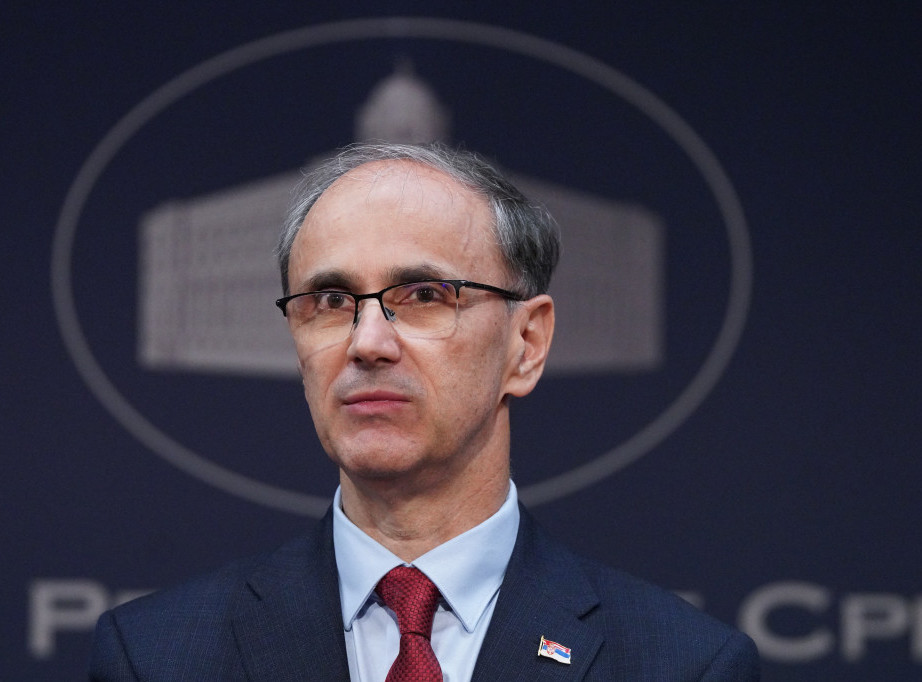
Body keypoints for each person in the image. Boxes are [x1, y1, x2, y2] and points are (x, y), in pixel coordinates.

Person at [89, 142, 760, 680]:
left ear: (526, 345)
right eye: (330, 302)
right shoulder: (154, 657)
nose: (367, 343)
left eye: (424, 295)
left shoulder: (682, 665)